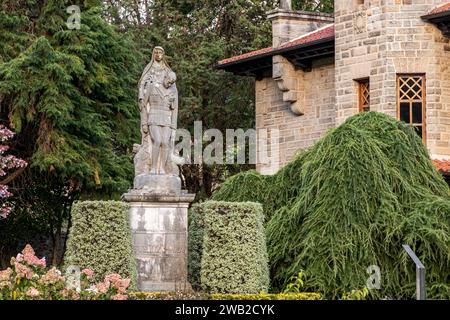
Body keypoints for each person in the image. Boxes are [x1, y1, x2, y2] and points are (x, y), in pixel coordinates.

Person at [138, 46, 178, 175]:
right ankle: (153, 167)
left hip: (165, 118)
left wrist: (174, 125)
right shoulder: (151, 82)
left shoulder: (169, 80)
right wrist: (144, 122)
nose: (169, 82)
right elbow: (143, 101)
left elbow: (174, 106)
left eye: (172, 82)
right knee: (158, 141)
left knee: (165, 143)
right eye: (156, 52)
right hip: (154, 115)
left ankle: (162, 168)